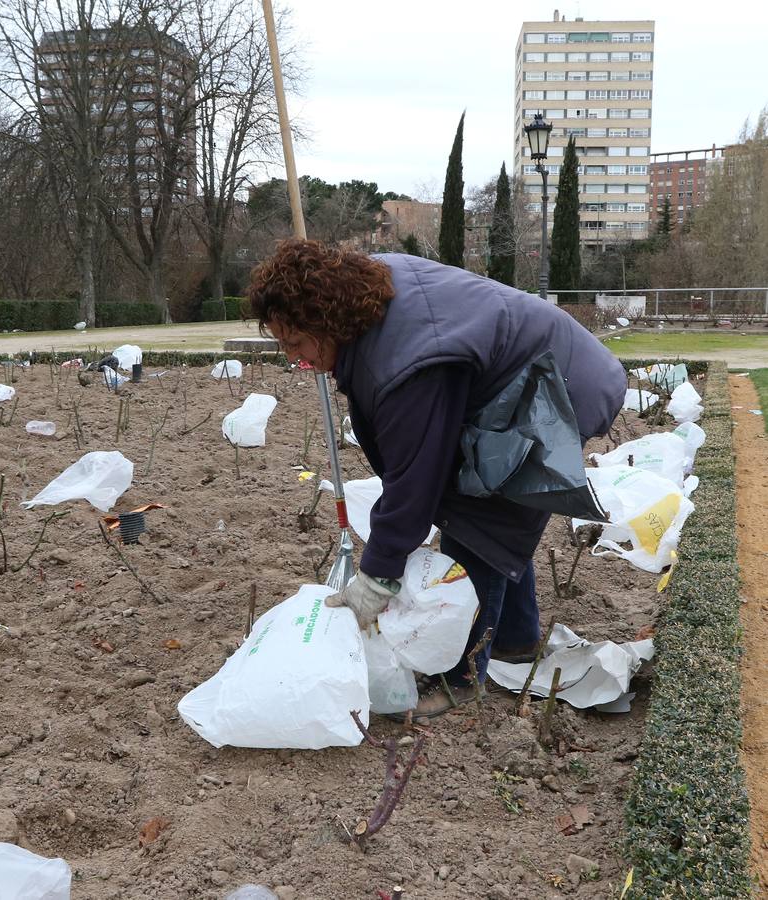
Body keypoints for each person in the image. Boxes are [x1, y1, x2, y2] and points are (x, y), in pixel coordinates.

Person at [247, 240, 625, 718]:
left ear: (328, 321)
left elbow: (414, 480)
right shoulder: (367, 290)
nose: (295, 359)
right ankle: (515, 640)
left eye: (297, 343)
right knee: (499, 506)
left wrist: (377, 576)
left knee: (480, 518)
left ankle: (461, 677)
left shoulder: (406, 359)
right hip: (537, 370)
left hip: (560, 387)